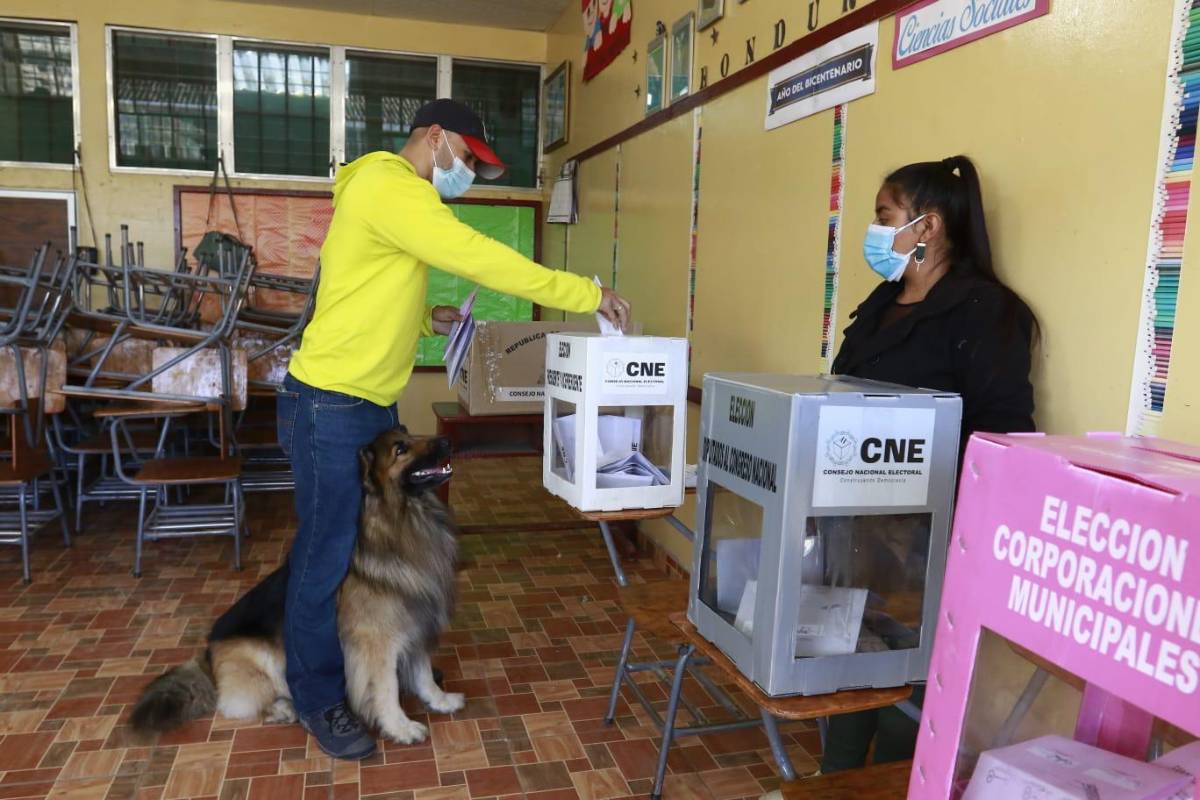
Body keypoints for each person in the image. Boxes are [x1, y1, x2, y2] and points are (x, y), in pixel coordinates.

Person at [277, 99, 631, 760]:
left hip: (365, 405)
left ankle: (372, 674)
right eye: (466, 158)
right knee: (324, 561)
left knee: (359, 556)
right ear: (435, 138)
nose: (466, 171)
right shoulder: (389, 186)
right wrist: (587, 292)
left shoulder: (385, 195)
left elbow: (357, 299)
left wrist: (427, 321)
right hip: (328, 404)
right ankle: (318, 697)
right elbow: (478, 257)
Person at [821, 155, 1037, 773]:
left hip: (927, 535)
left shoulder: (984, 311)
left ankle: (888, 782)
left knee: (903, 673)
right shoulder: (883, 301)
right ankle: (832, 777)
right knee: (845, 655)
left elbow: (1003, 430)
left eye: (884, 217)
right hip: (853, 522)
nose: (875, 230)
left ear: (929, 226)